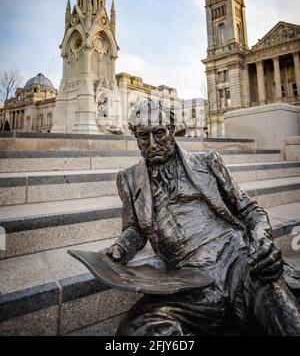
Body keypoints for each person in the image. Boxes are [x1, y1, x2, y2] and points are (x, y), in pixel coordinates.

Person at [106, 99, 300, 336]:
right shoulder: (127, 179)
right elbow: (134, 229)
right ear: (135, 136)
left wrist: (264, 242)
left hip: (239, 262)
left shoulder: (207, 162)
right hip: (187, 279)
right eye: (143, 136)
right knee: (134, 332)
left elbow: (250, 209)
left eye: (159, 133)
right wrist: (120, 248)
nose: (152, 144)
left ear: (173, 129)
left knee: (288, 323)